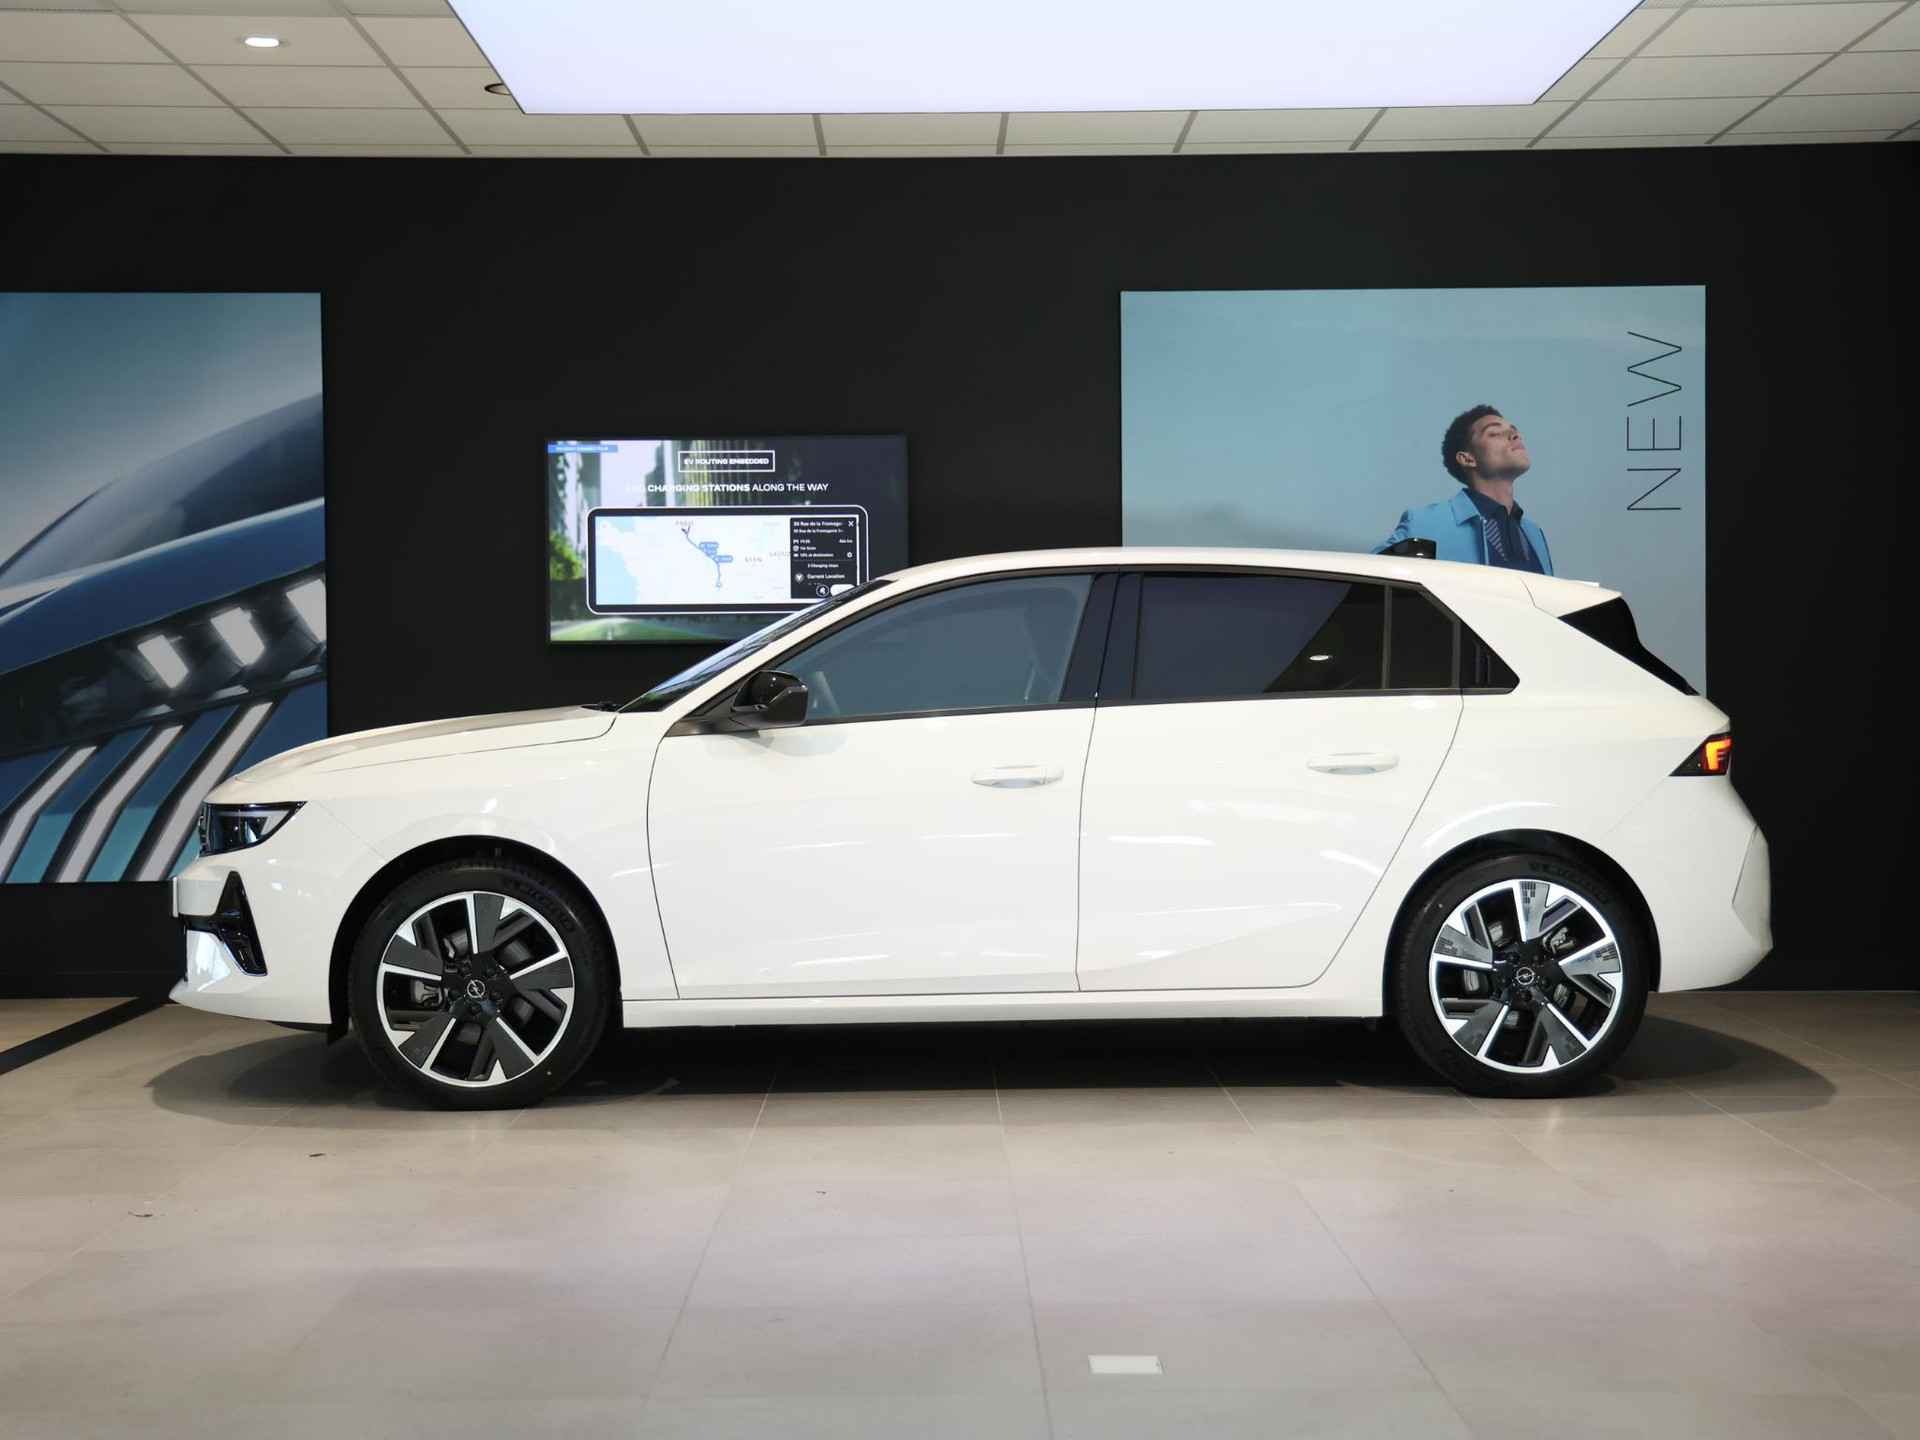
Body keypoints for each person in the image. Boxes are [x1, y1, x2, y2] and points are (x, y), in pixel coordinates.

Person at [1375, 405, 1553, 575]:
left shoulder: (1534, 534)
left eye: (1514, 430)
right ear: (1467, 458)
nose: (1514, 435)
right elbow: (1369, 578)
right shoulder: (1424, 523)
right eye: (1494, 433)